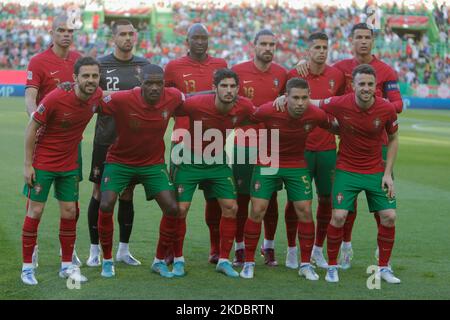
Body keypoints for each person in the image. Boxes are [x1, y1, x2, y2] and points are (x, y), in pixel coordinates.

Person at [296, 23, 403, 269]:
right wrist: (303, 63)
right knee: (346, 203)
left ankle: (381, 253)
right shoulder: (340, 68)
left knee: (383, 205)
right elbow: (321, 79)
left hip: (380, 143)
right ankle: (346, 245)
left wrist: (374, 106)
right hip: (350, 144)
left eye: (367, 37)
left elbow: (397, 104)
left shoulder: (385, 71)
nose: (363, 42)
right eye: (358, 38)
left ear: (373, 41)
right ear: (351, 41)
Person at [240, 77, 337, 280]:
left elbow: (336, 126)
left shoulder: (316, 114)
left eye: (304, 97)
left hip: (295, 163)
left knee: (304, 211)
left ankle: (304, 265)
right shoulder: (269, 110)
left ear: (309, 97)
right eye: (295, 98)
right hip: (268, 161)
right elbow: (247, 116)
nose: (300, 102)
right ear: (286, 97)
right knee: (257, 210)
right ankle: (248, 263)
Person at [21, 56, 103, 285]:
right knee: (35, 211)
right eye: (85, 76)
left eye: (95, 76)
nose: (91, 80)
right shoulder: (56, 97)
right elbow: (31, 128)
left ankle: (67, 265)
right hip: (44, 161)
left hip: (69, 164)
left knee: (69, 212)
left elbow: (117, 99)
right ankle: (27, 267)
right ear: (75, 78)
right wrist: (28, 165)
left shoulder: (97, 96)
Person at [96, 64, 184, 278]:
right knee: (106, 203)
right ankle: (107, 261)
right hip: (119, 161)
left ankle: (159, 261)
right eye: (149, 83)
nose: (154, 88)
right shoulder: (123, 99)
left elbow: (197, 99)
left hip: (152, 164)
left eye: (159, 83)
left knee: (173, 208)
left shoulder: (173, 97)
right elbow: (91, 102)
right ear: (141, 83)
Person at [317, 64, 400, 284]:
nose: (365, 88)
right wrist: (284, 100)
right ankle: (332, 267)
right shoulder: (339, 103)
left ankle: (383, 267)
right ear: (353, 85)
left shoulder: (386, 108)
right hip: (347, 169)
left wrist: (388, 174)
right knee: (339, 216)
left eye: (370, 84)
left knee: (389, 217)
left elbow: (393, 139)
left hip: (375, 170)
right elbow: (312, 103)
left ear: (376, 87)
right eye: (361, 83)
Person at [171, 68, 256, 278]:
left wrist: (281, 102)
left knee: (231, 207)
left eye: (233, 86)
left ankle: (224, 260)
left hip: (217, 161)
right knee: (180, 209)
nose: (229, 90)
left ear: (238, 89)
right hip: (189, 159)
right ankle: (178, 259)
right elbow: (169, 106)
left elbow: (260, 114)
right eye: (224, 86)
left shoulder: (243, 106)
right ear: (214, 88)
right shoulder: (195, 104)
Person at [86, 19, 150, 267]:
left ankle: (123, 250)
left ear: (135, 36)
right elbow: (90, 98)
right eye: (122, 34)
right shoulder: (100, 65)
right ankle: (94, 250)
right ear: (113, 38)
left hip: (133, 142)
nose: (127, 38)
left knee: (127, 193)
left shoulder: (144, 66)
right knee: (99, 193)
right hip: (105, 140)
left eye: (130, 34)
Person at [164, 23, 227, 264]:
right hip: (183, 140)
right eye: (196, 38)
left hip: (214, 141)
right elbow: (166, 101)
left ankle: (215, 248)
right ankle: (170, 248)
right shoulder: (173, 67)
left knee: (215, 199)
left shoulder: (220, 65)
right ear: (187, 41)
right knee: (178, 202)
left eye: (204, 38)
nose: (200, 42)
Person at [24, 14, 83, 267]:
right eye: (61, 30)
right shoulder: (38, 61)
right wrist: (35, 121)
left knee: (71, 203)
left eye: (70, 30)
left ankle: (66, 251)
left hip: (72, 141)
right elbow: (30, 96)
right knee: (36, 202)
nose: (66, 34)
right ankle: (32, 248)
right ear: (52, 32)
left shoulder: (80, 61)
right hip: (45, 140)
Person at [285, 32, 346, 269]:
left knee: (326, 199)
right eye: (317, 47)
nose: (321, 51)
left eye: (324, 47)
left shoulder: (336, 76)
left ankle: (317, 250)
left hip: (327, 147)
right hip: (300, 149)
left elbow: (342, 105)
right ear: (307, 51)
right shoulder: (295, 75)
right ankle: (291, 249)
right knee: (296, 201)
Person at [230, 29, 288, 267]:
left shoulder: (282, 74)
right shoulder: (238, 71)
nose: (268, 48)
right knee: (241, 199)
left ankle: (269, 247)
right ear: (253, 46)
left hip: (271, 144)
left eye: (272, 44)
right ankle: (241, 248)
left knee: (270, 198)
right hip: (243, 144)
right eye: (263, 44)